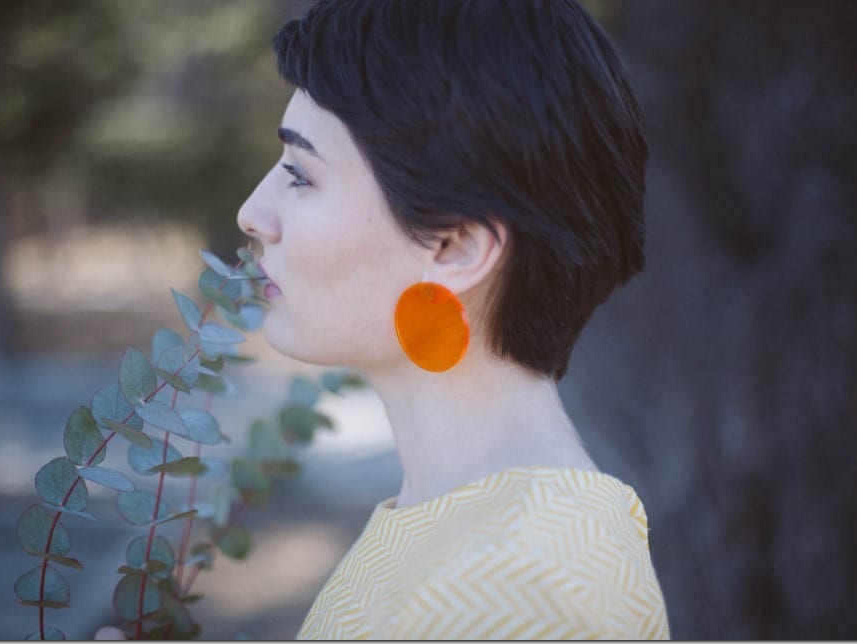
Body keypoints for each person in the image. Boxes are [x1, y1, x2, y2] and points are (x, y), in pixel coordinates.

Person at [242, 0, 668, 639]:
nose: (254, 213)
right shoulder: (461, 519)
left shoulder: (525, 586)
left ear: (457, 247)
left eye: (300, 175)